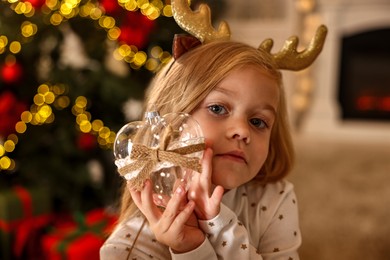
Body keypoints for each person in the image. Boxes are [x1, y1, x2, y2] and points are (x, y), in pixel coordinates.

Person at [100, 1, 327, 259]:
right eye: (218, 109)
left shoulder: (274, 200)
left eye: (258, 122)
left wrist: (217, 227)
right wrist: (188, 247)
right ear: (170, 120)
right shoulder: (145, 217)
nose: (242, 130)